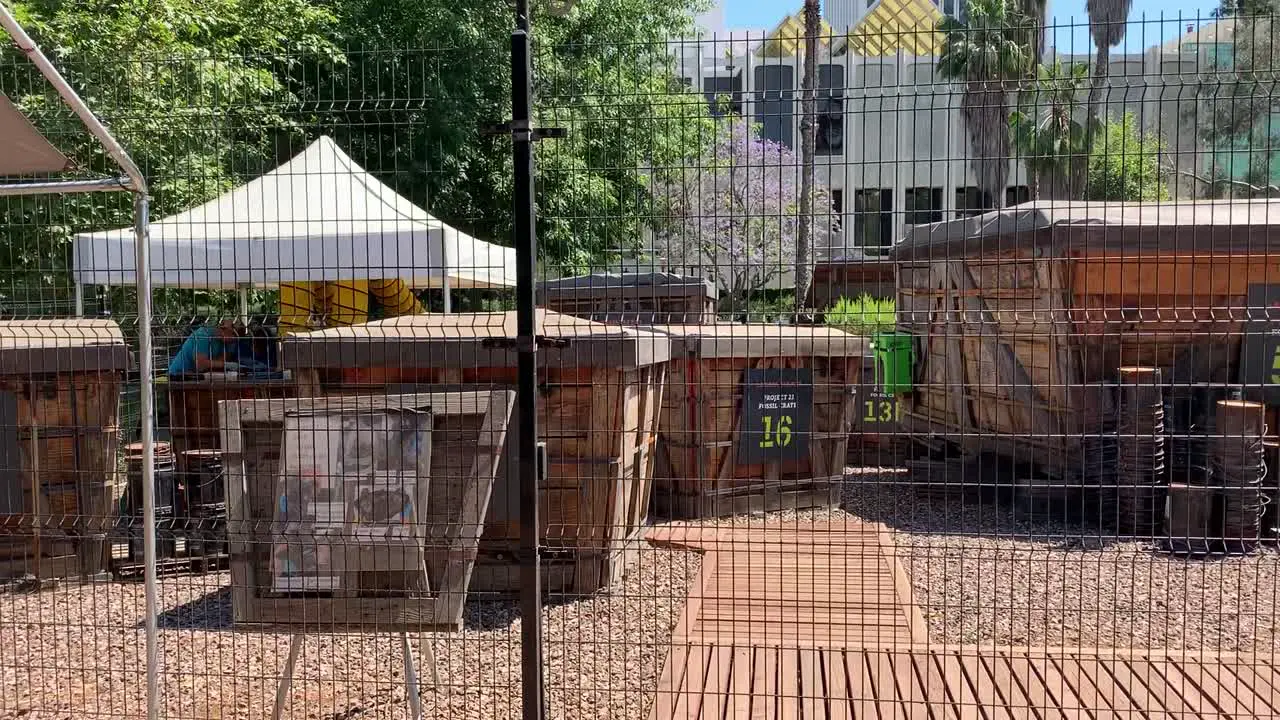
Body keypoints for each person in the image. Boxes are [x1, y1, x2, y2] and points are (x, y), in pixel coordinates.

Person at [167, 318, 240, 376]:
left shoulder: (229, 343)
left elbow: (220, 362)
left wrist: (223, 364)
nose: (234, 339)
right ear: (223, 329)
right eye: (233, 334)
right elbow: (201, 364)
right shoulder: (203, 335)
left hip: (200, 376)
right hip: (179, 375)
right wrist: (226, 365)